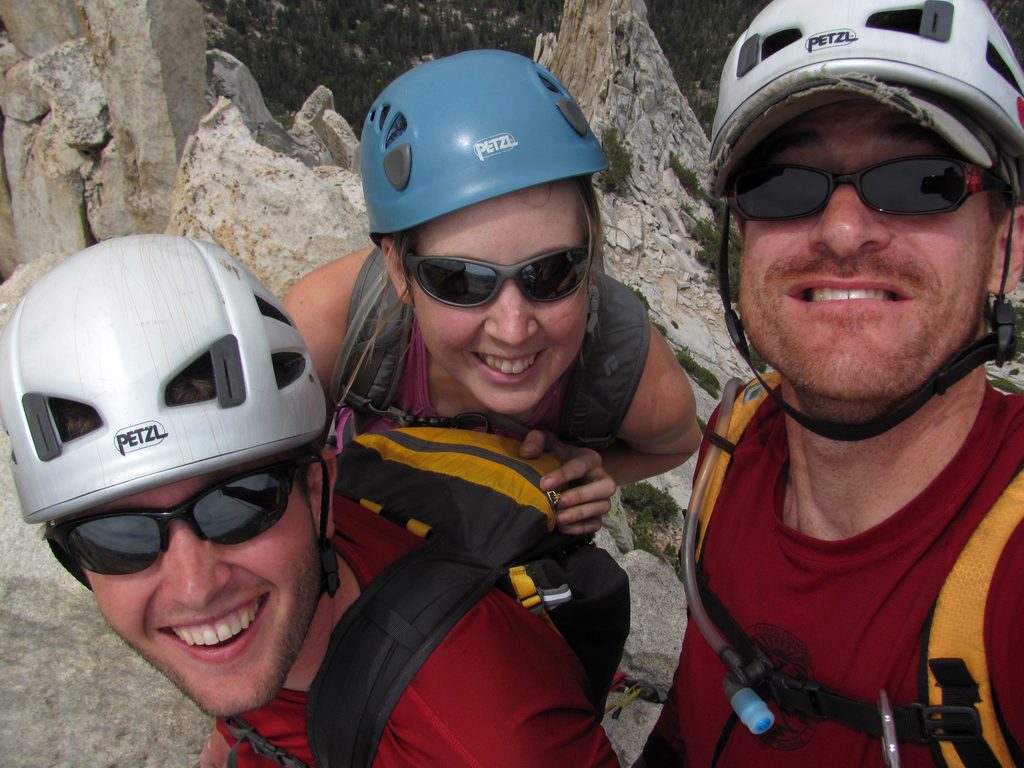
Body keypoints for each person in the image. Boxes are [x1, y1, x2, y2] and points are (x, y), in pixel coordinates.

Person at [0, 235, 620, 767]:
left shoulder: (491, 738)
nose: (194, 588)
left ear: (318, 491)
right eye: (118, 537)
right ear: (75, 563)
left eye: (237, 504)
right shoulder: (270, 609)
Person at [640, 0, 1024, 766]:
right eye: (782, 184)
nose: (844, 231)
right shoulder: (730, 453)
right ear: (740, 235)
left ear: (1006, 246)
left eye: (923, 180)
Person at [284, 50, 702, 536]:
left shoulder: (625, 365)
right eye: (460, 280)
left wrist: (598, 471)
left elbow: (679, 441)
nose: (513, 327)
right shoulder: (325, 329)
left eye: (551, 272)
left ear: (591, 256)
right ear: (398, 270)